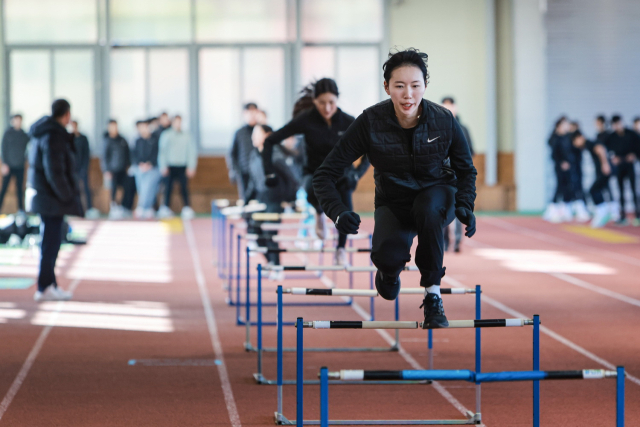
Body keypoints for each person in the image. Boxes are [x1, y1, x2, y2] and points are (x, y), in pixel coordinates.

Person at [313, 48, 477, 328]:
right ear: (386, 87)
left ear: (425, 86)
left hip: (437, 194)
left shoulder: (444, 120)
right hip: (394, 202)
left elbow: (466, 170)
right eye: (399, 86)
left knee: (429, 207)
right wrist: (338, 212)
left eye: (415, 86)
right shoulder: (369, 123)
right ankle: (389, 272)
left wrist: (465, 203)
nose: (408, 94)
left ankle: (433, 297)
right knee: (387, 258)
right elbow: (324, 175)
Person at [262, 78, 370, 266]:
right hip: (314, 172)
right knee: (312, 188)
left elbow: (371, 148)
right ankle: (319, 213)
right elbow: (270, 141)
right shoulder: (306, 119)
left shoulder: (348, 122)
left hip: (342, 174)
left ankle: (340, 250)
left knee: (346, 211)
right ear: (314, 101)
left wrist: (357, 174)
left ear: (337, 100)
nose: (327, 108)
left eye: (331, 103)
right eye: (322, 103)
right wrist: (269, 172)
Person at [26, 99, 83, 301]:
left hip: (46, 197)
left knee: (52, 242)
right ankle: (44, 286)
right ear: (67, 114)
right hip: (50, 199)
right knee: (50, 243)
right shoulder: (52, 136)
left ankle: (49, 284)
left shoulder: (44, 133)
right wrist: (67, 195)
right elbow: (54, 171)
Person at [246, 124, 299, 280]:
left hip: (275, 199)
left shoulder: (275, 155)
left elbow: (292, 179)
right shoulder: (254, 154)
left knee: (270, 233)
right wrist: (247, 201)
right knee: (256, 231)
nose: (253, 137)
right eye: (253, 134)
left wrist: (291, 200)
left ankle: (276, 266)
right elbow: (253, 181)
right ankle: (270, 262)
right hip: (260, 198)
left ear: (267, 136)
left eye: (257, 134)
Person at [441, 97, 474, 253]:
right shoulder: (437, 127)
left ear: (456, 107)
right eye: (445, 105)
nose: (448, 108)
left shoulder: (463, 129)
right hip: (441, 177)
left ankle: (458, 241)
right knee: (442, 209)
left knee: (459, 207)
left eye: (450, 105)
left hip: (458, 177)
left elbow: (470, 153)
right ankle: (444, 242)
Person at [157, 115, 198, 220]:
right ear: (173, 122)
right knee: (167, 188)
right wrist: (163, 166)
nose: (178, 124)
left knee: (184, 187)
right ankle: (165, 207)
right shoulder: (166, 135)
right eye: (176, 122)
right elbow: (162, 152)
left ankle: (187, 208)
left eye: (180, 122)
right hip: (169, 166)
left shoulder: (187, 136)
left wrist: (191, 166)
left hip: (182, 166)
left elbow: (191, 152)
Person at [571, 130, 611, 227]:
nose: (575, 144)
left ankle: (602, 212)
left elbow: (600, 149)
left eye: (575, 141)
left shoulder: (589, 143)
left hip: (604, 170)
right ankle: (602, 211)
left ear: (580, 137)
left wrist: (605, 164)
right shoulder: (586, 146)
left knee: (593, 190)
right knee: (596, 190)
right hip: (600, 171)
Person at [606, 115, 640, 226]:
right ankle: (622, 216)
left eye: (618, 123)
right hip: (620, 166)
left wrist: (634, 155)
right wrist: (612, 158)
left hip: (629, 165)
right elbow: (607, 149)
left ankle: (638, 216)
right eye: (615, 125)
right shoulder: (611, 137)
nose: (617, 126)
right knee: (620, 191)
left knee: (634, 190)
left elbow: (638, 147)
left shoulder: (631, 134)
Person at [543, 117, 575, 223]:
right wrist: (561, 162)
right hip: (559, 166)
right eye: (564, 125)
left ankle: (565, 210)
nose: (567, 127)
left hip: (569, 167)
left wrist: (569, 162)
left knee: (568, 187)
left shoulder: (568, 137)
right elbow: (554, 154)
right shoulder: (555, 138)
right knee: (559, 186)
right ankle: (552, 210)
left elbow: (571, 152)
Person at [227, 103, 259, 201]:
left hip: (259, 173)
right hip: (244, 172)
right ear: (244, 114)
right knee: (246, 200)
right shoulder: (239, 133)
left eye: (254, 112)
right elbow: (232, 154)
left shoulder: (261, 130)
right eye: (249, 113)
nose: (252, 115)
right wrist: (234, 171)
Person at [0, 114, 29, 213]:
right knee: (4, 189)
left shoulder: (24, 135)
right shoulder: (8, 133)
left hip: (20, 166)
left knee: (20, 190)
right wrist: (4, 164)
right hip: (9, 165)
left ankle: (21, 210)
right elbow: (3, 148)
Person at [102, 119, 131, 219]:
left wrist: (128, 166)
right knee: (113, 189)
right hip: (112, 170)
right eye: (112, 126)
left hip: (123, 169)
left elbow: (127, 153)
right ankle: (113, 207)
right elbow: (104, 157)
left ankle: (123, 206)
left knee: (127, 187)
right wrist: (106, 170)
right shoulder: (107, 141)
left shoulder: (122, 139)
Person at [70, 120, 99, 219]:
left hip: (82, 168)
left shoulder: (83, 138)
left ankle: (90, 208)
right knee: (73, 190)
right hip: (72, 169)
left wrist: (84, 168)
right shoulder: (68, 139)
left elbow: (86, 154)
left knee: (86, 188)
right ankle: (75, 209)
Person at [132, 120, 160, 219]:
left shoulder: (154, 139)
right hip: (140, 168)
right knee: (142, 188)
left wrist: (149, 164)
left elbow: (156, 153)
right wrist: (140, 164)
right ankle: (143, 207)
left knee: (149, 188)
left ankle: (144, 207)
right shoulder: (137, 140)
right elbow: (134, 155)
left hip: (152, 168)